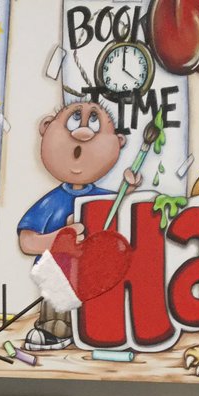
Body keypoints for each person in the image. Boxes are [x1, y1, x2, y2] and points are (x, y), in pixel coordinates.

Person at [17, 100, 139, 351]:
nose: (82, 132)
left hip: (94, 275)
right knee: (55, 302)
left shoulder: (104, 199)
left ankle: (92, 329)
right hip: (57, 275)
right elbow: (27, 241)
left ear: (119, 142)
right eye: (74, 120)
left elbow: (122, 218)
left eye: (94, 122)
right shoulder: (52, 202)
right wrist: (62, 237)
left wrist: (129, 190)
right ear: (46, 127)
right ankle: (53, 330)